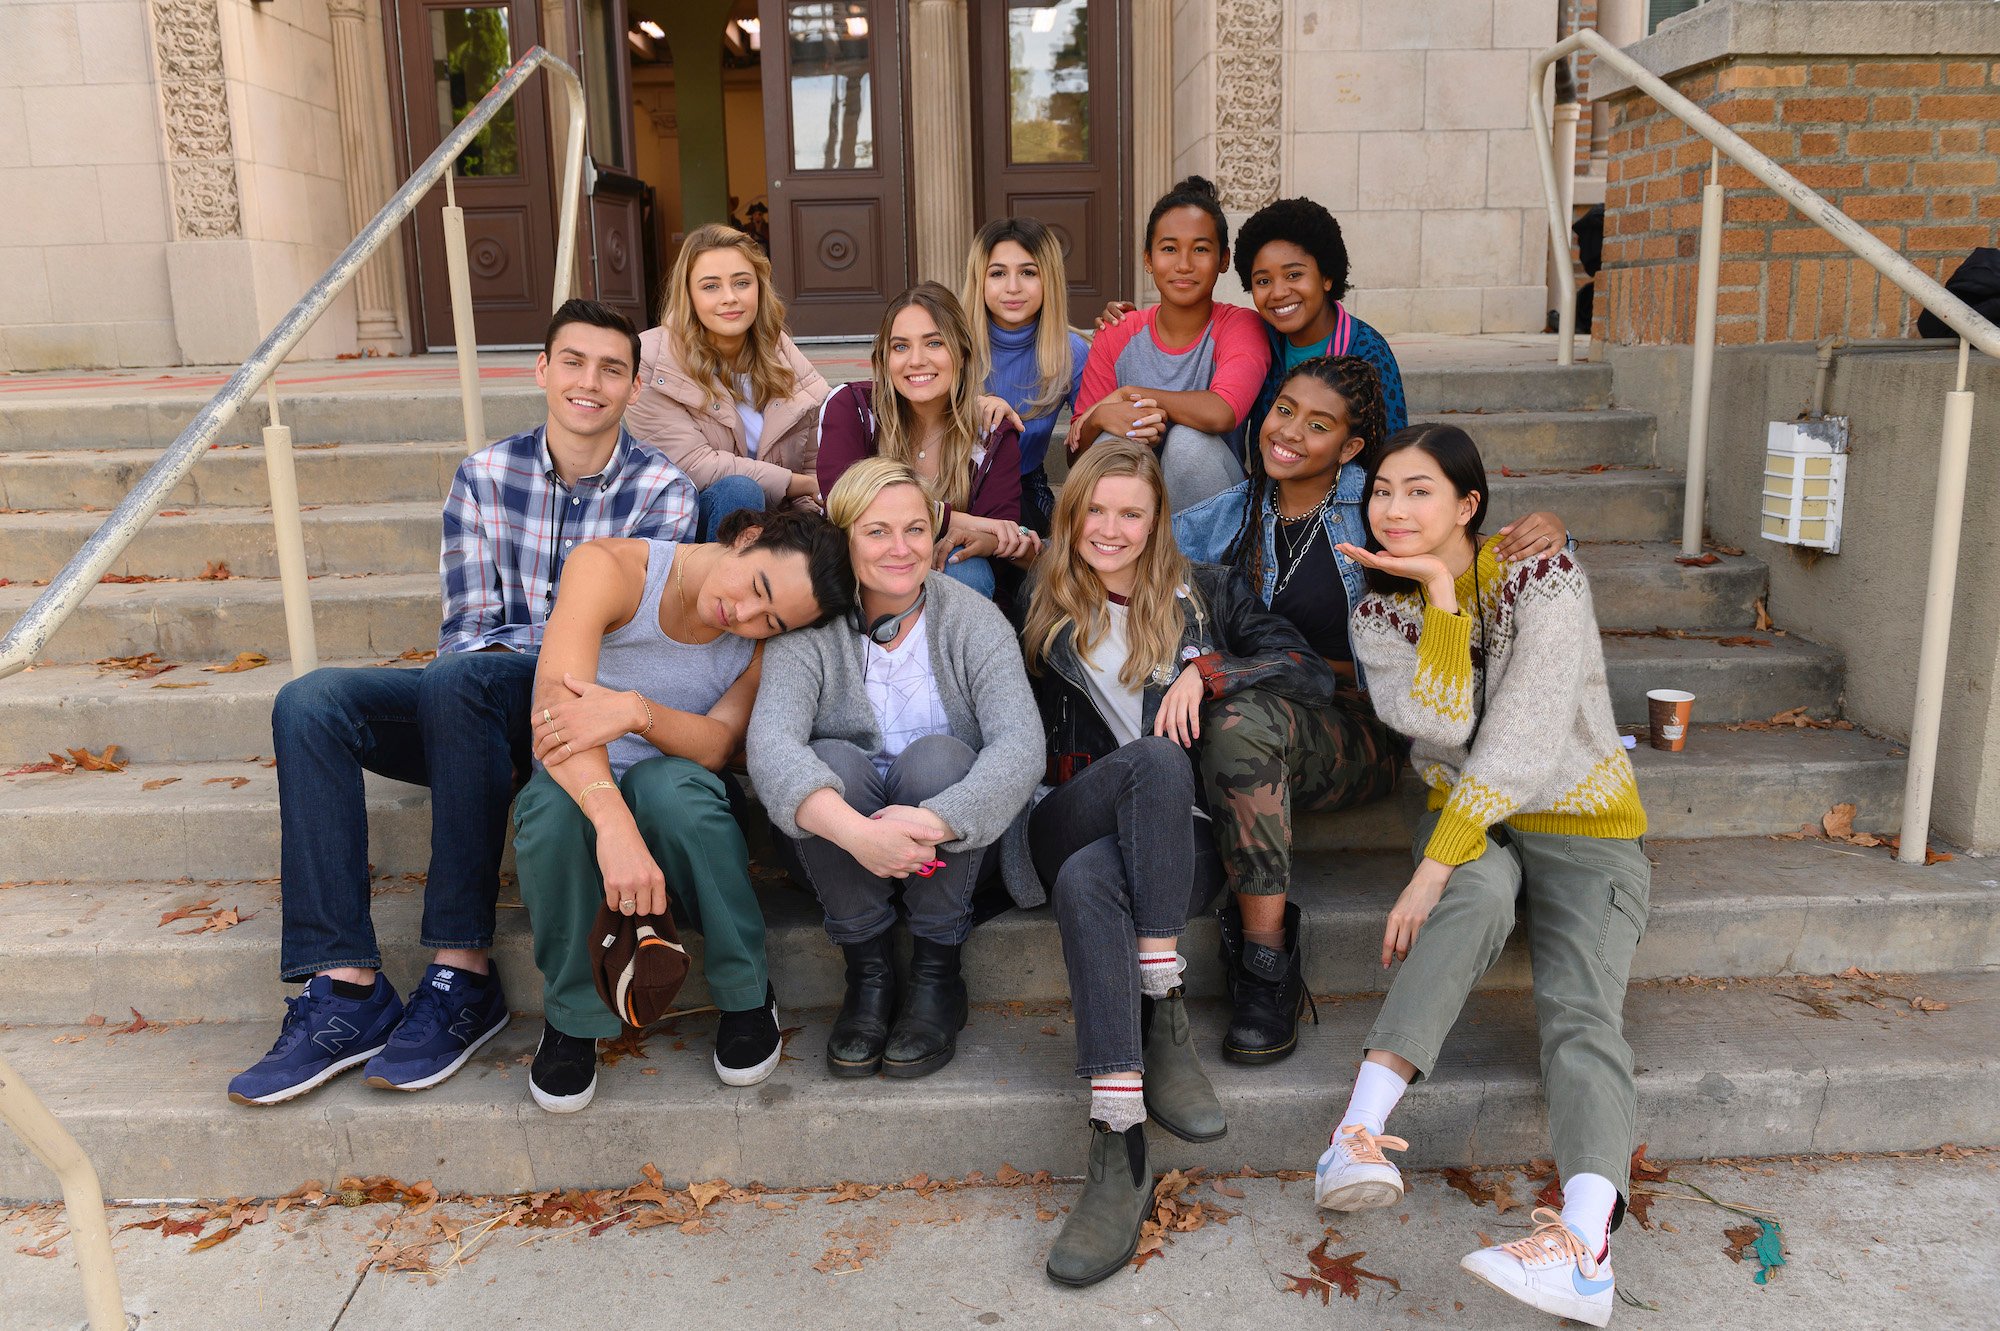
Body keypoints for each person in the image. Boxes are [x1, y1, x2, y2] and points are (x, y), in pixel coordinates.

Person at [227, 300, 697, 1107]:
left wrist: (525, 675)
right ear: (542, 369)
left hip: (580, 714)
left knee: (458, 681)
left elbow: (628, 651)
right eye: (573, 361)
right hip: (472, 703)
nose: (590, 381)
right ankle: (345, 987)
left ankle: (462, 972)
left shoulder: (664, 492)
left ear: (635, 385)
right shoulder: (484, 475)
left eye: (612, 368)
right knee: (312, 702)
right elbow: (471, 628)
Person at [1319, 423, 1649, 1328]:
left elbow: (1529, 732)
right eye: (1381, 490)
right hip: (1467, 809)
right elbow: (1443, 725)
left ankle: (1585, 1248)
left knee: (1583, 1013)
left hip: (1583, 820)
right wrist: (1437, 594)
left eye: (1419, 490)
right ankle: (1356, 1133)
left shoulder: (1542, 571)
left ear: (1469, 503)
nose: (1392, 508)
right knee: (1479, 888)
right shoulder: (1377, 611)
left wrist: (1430, 865)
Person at [1173, 356, 1571, 1064]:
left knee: (1237, 721)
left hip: (1358, 725)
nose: (1289, 431)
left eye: (1318, 424)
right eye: (1284, 410)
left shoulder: (1373, 503)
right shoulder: (1234, 512)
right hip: (1258, 707)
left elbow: (1473, 550)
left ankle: (1265, 961)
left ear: (1350, 446)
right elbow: (1124, 544)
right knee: (1231, 718)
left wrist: (1550, 529)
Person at [1020, 440, 1336, 1287]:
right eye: (1095, 510)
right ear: (1070, 515)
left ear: (1159, 518)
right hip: (1070, 813)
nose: (1111, 528)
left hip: (1172, 840)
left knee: (1093, 880)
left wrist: (1210, 669)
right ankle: (1163, 1000)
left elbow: (1309, 672)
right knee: (1153, 764)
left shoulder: (1211, 592)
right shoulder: (1038, 598)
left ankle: (1117, 1144)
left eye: (1132, 512)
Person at [511, 509, 854, 1110]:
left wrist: (634, 711)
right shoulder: (609, 568)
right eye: (756, 587)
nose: (745, 616)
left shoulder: (761, 643)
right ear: (748, 537)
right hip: (579, 784)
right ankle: (573, 1016)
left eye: (771, 620)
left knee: (669, 787)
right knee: (550, 810)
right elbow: (552, 713)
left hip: (681, 803)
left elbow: (719, 742)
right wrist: (613, 825)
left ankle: (746, 993)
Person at [746, 459, 1042, 1079]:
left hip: (953, 852)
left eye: (915, 529)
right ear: (845, 536)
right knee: (830, 759)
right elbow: (770, 745)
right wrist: (860, 834)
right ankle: (869, 975)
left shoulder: (973, 619)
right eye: (877, 531)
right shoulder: (811, 625)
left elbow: (1021, 745)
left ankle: (938, 975)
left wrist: (937, 820)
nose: (901, 549)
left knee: (939, 757)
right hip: (841, 852)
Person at [816, 282, 1032, 599]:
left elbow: (999, 531)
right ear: (884, 358)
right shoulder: (853, 408)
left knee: (967, 568)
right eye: (900, 347)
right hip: (861, 571)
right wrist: (956, 520)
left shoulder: (993, 433)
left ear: (962, 353)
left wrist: (976, 534)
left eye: (934, 343)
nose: (916, 360)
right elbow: (842, 503)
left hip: (946, 575)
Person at [1068, 176, 1271, 511]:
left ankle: (1194, 550)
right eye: (1169, 249)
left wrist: (1129, 393)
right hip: (1130, 511)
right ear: (1148, 259)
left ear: (1223, 259)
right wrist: (1100, 417)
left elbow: (1222, 412)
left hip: (1212, 510)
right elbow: (1076, 456)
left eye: (1201, 249)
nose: (1184, 265)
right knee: (1116, 437)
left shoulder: (1241, 326)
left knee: (1188, 443)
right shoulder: (1117, 331)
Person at [626, 222, 831, 539]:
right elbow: (694, 465)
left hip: (777, 521)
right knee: (740, 491)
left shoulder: (778, 350)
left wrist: (816, 527)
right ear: (688, 295)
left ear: (759, 287)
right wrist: (799, 483)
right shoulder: (652, 359)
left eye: (742, 283)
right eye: (711, 286)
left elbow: (816, 455)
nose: (730, 297)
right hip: (697, 523)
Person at [962, 217, 1090, 532]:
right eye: (997, 273)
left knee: (1018, 540)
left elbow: (1093, 442)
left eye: (1028, 272)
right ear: (979, 279)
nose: (1013, 287)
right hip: (951, 482)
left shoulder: (1070, 351)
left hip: (1022, 486)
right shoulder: (952, 343)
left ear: (1049, 278)